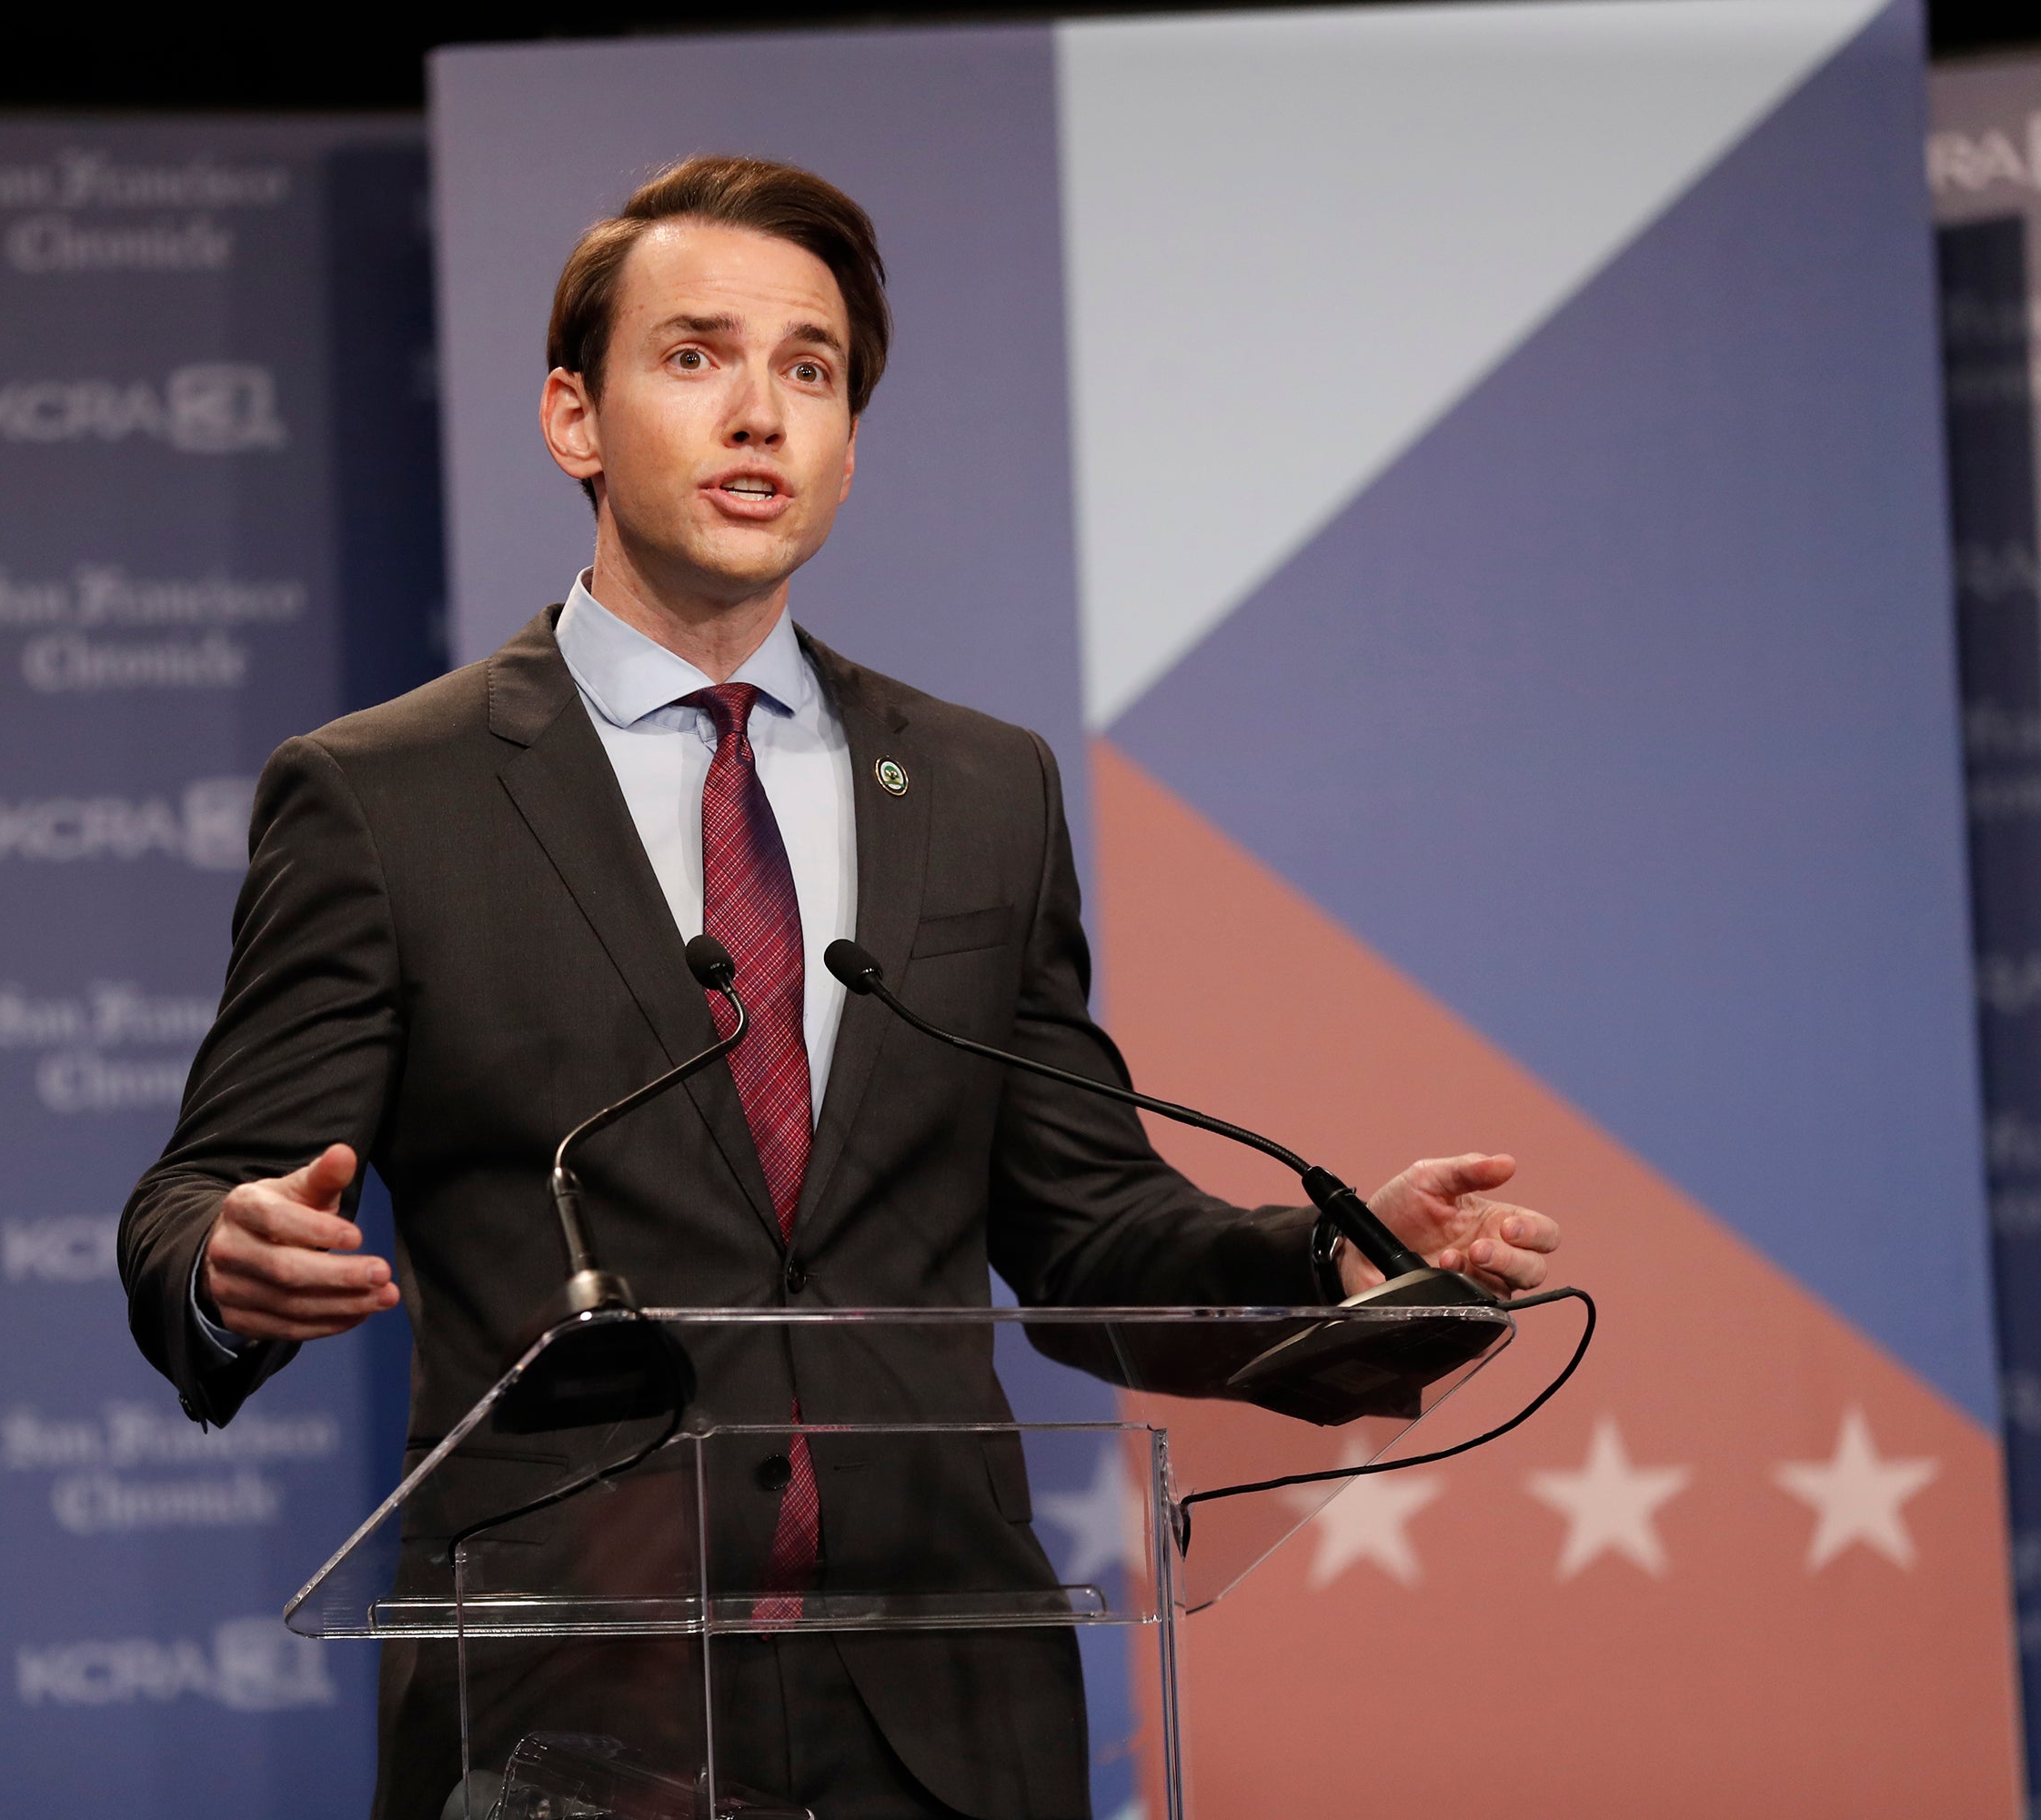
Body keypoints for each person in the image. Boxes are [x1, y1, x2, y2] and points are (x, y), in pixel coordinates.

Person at [121, 154, 1561, 1820]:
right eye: (696, 357)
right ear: (571, 417)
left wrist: (1337, 1260)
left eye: (808, 371)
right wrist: (228, 1258)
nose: (759, 414)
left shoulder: (977, 787)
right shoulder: (390, 793)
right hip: (569, 1717)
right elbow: (190, 1197)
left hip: (946, 1707)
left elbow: (1084, 1231)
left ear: (850, 444)